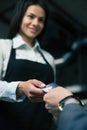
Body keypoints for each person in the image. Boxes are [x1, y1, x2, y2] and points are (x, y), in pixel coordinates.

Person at [0, 0, 56, 130]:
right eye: (31, 16)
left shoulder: (49, 58)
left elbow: (52, 97)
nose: (36, 23)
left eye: (41, 20)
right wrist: (20, 87)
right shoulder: (3, 46)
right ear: (20, 16)